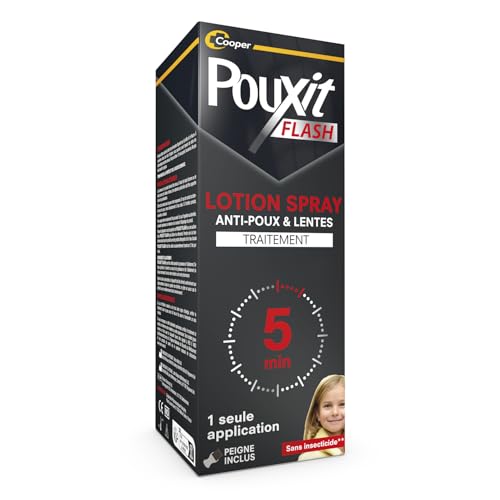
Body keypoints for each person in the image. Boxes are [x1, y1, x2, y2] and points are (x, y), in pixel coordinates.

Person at [298, 374, 345, 461]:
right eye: (327, 406)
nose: (335, 412)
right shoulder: (308, 457)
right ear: (317, 413)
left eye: (342, 404)